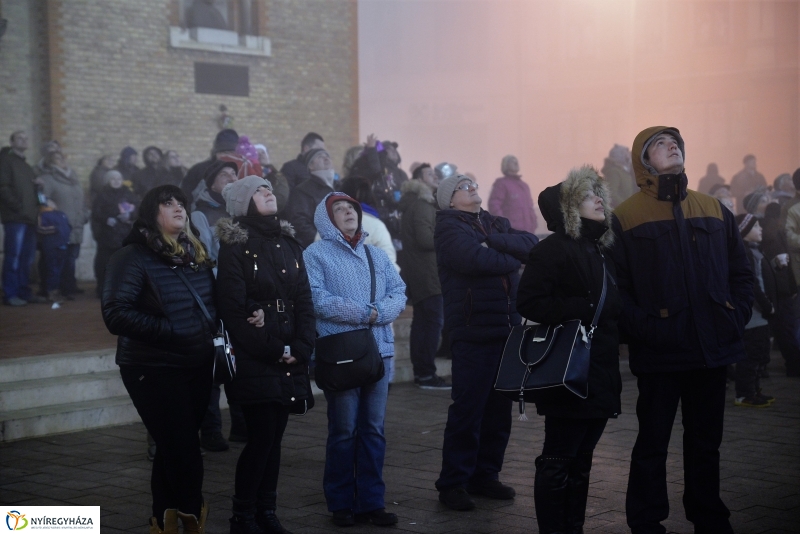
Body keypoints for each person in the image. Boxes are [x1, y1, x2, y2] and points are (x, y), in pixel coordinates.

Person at [611, 126, 753, 534]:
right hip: (660, 353)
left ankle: (709, 517)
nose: (671, 146)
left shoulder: (713, 208)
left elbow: (741, 274)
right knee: (652, 445)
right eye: (659, 144)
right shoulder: (626, 216)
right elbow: (618, 291)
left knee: (706, 445)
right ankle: (646, 520)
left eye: (675, 142)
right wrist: (648, 330)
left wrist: (733, 314)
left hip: (712, 348)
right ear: (643, 162)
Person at [101, 185, 218, 534]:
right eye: (168, 204)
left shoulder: (194, 253)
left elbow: (212, 305)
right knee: (183, 447)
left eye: (181, 202)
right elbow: (115, 314)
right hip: (151, 367)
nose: (178, 208)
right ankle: (190, 515)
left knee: (173, 445)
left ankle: (164, 519)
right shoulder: (132, 257)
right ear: (152, 214)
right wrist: (172, 330)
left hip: (196, 365)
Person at [517, 165, 621, 533]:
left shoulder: (600, 249)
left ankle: (572, 527)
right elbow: (529, 302)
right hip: (567, 370)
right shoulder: (552, 250)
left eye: (598, 194)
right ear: (568, 210)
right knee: (559, 457)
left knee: (582, 458)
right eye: (587, 196)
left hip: (599, 368)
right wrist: (579, 308)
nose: (598, 199)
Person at [216, 176, 315, 534]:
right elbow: (232, 308)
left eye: (270, 188)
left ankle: (266, 513)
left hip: (290, 351)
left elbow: (304, 299)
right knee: (260, 438)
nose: (269, 192)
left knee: (275, 439)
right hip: (257, 356)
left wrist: (302, 347)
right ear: (244, 202)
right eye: (259, 190)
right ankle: (242, 517)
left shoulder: (289, 242)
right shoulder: (235, 247)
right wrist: (277, 350)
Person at [433, 174, 538, 511]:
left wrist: (496, 244)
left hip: (505, 329)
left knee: (498, 411)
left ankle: (485, 475)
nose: (472, 187)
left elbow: (532, 244)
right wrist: (512, 257)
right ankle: (453, 483)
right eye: (463, 186)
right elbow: (475, 261)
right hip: (473, 329)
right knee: (468, 410)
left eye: (473, 183)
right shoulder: (449, 228)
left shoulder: (495, 222)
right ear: (450, 199)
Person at [304, 192, 406, 528]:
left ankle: (371, 502)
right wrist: (367, 313)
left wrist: (377, 314)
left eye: (351, 208)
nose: (348, 212)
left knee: (373, 431)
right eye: (339, 209)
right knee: (344, 431)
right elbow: (316, 298)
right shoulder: (315, 254)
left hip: (381, 352)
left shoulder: (376, 254)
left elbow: (400, 292)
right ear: (326, 218)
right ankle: (341, 502)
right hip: (341, 355)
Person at [397, 163, 450, 389]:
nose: (436, 177)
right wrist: (450, 235)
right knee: (431, 323)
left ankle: (423, 372)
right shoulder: (422, 205)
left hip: (424, 272)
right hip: (427, 273)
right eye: (430, 174)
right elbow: (425, 239)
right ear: (419, 180)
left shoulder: (422, 205)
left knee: (424, 323)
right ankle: (426, 373)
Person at [733, 214, 776, 408]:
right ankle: (744, 394)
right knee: (751, 356)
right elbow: (753, 285)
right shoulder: (746, 253)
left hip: (760, 315)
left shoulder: (754, 250)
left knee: (759, 354)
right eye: (755, 226)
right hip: (754, 316)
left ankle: (754, 390)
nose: (760, 229)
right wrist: (767, 306)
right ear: (744, 231)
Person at [0, 131, 44, 306]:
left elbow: (32, 193)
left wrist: (39, 187)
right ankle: (10, 295)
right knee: (14, 257)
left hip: (29, 218)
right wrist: (18, 207)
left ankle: (24, 292)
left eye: (26, 138)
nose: (24, 140)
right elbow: (3, 188)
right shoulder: (5, 161)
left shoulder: (27, 166)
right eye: (20, 138)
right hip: (15, 217)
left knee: (27, 258)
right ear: (12, 142)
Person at [38, 149, 88, 298]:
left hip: (77, 224)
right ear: (49, 162)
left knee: (71, 258)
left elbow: (82, 201)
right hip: (59, 227)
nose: (62, 161)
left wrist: (84, 215)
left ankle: (69, 286)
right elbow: (42, 201)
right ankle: (53, 289)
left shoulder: (74, 179)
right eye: (57, 159)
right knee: (57, 259)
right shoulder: (47, 179)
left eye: (63, 158)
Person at [762, 202, 800, 377]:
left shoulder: (774, 234)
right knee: (786, 329)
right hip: (780, 292)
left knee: (785, 329)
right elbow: (777, 268)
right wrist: (789, 288)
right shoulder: (771, 236)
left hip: (781, 291)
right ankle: (793, 365)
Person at [91, 170, 138, 298]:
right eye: (113, 179)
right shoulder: (101, 195)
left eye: (119, 178)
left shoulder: (129, 194)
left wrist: (130, 215)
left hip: (125, 234)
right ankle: (103, 289)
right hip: (107, 235)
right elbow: (96, 213)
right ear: (107, 181)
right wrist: (106, 219)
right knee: (105, 264)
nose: (116, 181)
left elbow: (137, 209)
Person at [283, 148, 335, 247]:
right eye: (320, 156)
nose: (326, 158)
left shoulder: (340, 186)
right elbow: (300, 222)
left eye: (327, 156)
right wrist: (323, 240)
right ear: (310, 165)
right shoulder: (302, 191)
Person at [191, 160, 238, 263]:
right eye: (224, 175)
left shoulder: (243, 210)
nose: (232, 179)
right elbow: (203, 260)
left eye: (233, 174)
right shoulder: (201, 215)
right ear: (212, 185)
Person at [487, 154, 538, 234]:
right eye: (512, 161)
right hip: (511, 233)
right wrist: (504, 225)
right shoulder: (501, 184)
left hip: (528, 232)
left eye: (516, 161)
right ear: (505, 165)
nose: (516, 163)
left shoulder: (524, 186)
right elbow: (494, 205)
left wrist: (534, 223)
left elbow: (530, 207)